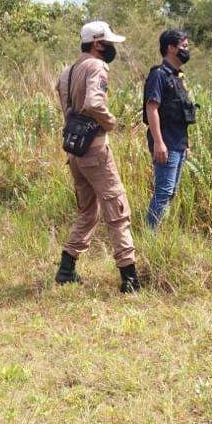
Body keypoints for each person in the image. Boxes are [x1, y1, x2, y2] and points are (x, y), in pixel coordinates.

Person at [54, 21, 140, 293]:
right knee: (117, 209)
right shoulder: (97, 67)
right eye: (109, 43)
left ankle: (66, 269)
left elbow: (69, 108)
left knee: (88, 212)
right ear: (97, 43)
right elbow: (93, 103)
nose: (112, 48)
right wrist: (110, 120)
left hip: (75, 151)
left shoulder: (67, 72)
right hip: (95, 150)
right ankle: (129, 278)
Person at [143, 29, 196, 230]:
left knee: (171, 191)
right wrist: (158, 142)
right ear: (170, 48)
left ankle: (156, 232)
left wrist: (185, 146)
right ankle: (150, 235)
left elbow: (180, 114)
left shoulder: (177, 76)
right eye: (183, 46)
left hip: (179, 143)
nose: (186, 50)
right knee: (164, 190)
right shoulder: (158, 75)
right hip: (165, 143)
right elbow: (152, 107)